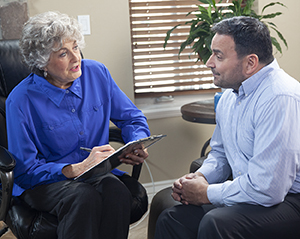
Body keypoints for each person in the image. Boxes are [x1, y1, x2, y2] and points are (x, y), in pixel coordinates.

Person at [6, 11, 150, 239]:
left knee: (116, 191)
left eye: (76, 47)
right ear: (42, 62)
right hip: (44, 182)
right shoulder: (20, 100)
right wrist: (74, 169)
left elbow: (132, 118)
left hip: (95, 173)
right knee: (83, 197)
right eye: (64, 53)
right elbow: (25, 170)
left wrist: (136, 142)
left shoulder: (97, 73)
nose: (76, 58)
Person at [155, 16, 300, 239]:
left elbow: (268, 189)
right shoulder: (229, 97)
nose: (209, 62)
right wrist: (200, 177)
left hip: (289, 200)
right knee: (173, 218)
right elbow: (220, 154)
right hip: (256, 194)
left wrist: (207, 193)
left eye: (218, 55)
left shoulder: (279, 97)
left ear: (250, 63)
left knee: (217, 223)